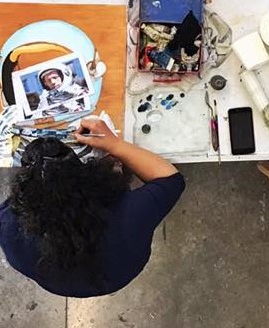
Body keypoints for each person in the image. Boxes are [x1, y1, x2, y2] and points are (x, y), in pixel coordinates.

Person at [0, 117, 185, 297]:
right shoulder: (128, 216)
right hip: (121, 270)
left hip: (58, 282)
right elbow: (171, 180)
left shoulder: (9, 228)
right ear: (90, 176)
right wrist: (115, 145)